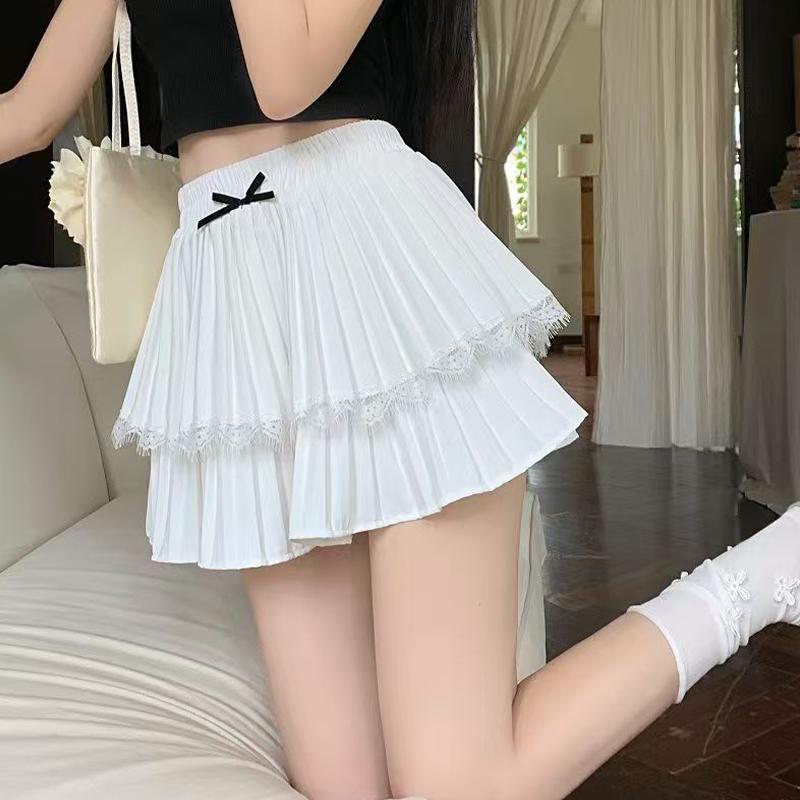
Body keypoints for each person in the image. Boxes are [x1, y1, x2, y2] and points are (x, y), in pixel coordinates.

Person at [2, 2, 799, 799]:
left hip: (376, 279)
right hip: (240, 321)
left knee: (460, 785)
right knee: (341, 785)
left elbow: (285, 79)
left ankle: (770, 569)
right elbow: (30, 113)